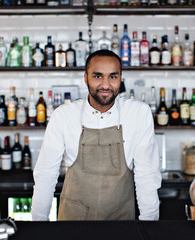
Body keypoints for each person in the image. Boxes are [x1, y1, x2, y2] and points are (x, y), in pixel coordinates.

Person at [31, 49, 161, 221]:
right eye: (98, 76)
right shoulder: (63, 115)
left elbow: (147, 175)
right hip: (73, 223)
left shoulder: (138, 113)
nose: (105, 85)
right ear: (86, 78)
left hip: (121, 223)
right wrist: (39, 226)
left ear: (120, 78)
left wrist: (149, 227)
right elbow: (46, 174)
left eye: (113, 77)